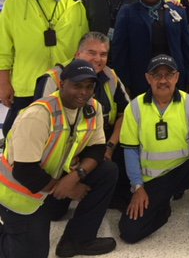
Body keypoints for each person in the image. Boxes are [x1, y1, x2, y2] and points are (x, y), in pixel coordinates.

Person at [0, 59, 118, 258]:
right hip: (21, 195)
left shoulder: (93, 108)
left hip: (52, 185)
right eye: (77, 85)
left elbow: (97, 149)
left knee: (107, 171)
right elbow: (24, 171)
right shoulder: (38, 114)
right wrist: (64, 188)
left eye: (89, 87)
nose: (84, 92)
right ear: (62, 84)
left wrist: (75, 176)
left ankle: (77, 240)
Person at [118, 54, 189, 243]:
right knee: (130, 233)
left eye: (168, 75)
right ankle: (162, 208)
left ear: (176, 77)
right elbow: (130, 150)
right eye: (157, 75)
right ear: (148, 78)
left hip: (184, 170)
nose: (163, 80)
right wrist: (137, 187)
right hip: (153, 179)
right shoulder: (134, 108)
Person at [33, 32, 131, 209]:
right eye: (91, 52)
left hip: (96, 142)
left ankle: (109, 196)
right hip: (61, 149)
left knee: (125, 152)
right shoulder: (54, 78)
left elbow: (126, 113)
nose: (98, 59)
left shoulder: (110, 76)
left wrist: (109, 147)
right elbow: (40, 127)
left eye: (103, 54)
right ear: (78, 54)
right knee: (54, 211)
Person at [0, 0, 89, 136]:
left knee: (56, 137)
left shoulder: (74, 6)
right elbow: (3, 48)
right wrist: (3, 83)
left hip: (62, 87)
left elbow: (83, 51)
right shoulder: (15, 3)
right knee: (15, 135)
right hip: (26, 85)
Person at [111, 0, 189, 97]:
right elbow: (119, 51)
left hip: (174, 76)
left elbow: (187, 47)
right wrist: (124, 83)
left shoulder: (177, 10)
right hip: (140, 79)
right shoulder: (127, 12)